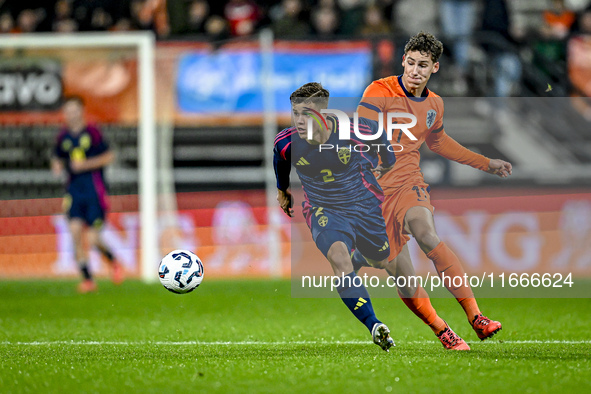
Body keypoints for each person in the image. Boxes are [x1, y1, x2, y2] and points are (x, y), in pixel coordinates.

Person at [355, 32, 512, 350]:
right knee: (403, 275)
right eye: (410, 63)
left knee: (426, 233)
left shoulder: (434, 105)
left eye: (422, 65)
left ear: (434, 68)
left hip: (409, 182)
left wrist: (485, 163)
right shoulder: (378, 90)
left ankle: (477, 317)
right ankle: (443, 330)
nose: (414, 70)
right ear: (403, 61)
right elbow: (364, 131)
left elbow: (439, 142)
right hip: (374, 193)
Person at [274, 82, 397, 352]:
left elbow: (381, 136)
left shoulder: (352, 130)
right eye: (295, 113)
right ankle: (374, 325)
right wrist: (282, 190)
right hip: (322, 209)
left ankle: (359, 259)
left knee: (381, 259)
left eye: (306, 114)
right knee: (339, 261)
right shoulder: (287, 141)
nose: (299, 120)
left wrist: (386, 164)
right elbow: (280, 159)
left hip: (362, 206)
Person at [51, 96, 123, 293]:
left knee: (92, 239)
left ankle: (113, 261)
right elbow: (57, 157)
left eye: (74, 110)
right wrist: (56, 164)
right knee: (74, 233)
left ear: (81, 111)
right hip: (73, 192)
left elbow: (109, 156)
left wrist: (86, 165)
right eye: (67, 110)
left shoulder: (93, 132)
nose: (71, 114)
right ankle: (88, 279)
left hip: (94, 192)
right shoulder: (63, 137)